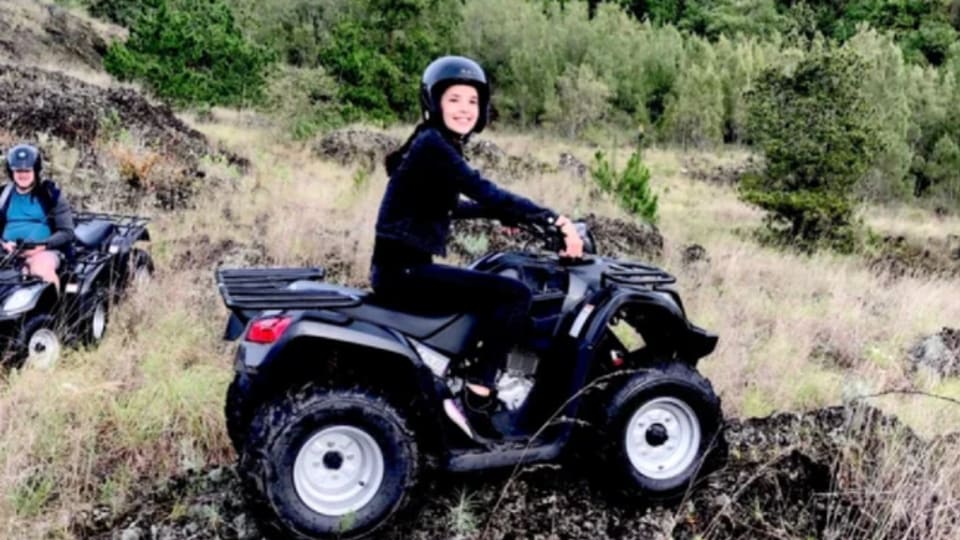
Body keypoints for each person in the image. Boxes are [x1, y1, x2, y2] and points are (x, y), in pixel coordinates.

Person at [370, 56, 584, 442]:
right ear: (434, 103)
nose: (464, 109)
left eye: (472, 101)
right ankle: (478, 393)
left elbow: (449, 205)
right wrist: (555, 220)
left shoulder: (430, 143)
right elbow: (485, 190)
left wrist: (500, 215)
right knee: (514, 295)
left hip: (399, 269)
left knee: (488, 286)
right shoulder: (434, 146)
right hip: (404, 272)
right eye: (454, 99)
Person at [0, 144, 75, 291]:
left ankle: (54, 304)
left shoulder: (51, 194)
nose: (23, 175)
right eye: (18, 171)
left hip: (44, 251)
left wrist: (42, 245)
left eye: (27, 170)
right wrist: (3, 244)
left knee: (41, 270)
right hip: (7, 251)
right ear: (11, 172)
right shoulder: (3, 195)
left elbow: (67, 232)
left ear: (35, 170)